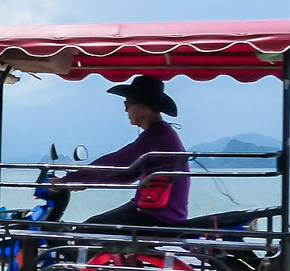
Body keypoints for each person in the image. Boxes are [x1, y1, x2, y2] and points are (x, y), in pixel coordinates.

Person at [55, 75, 189, 226]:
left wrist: (70, 179)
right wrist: (81, 180)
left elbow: (118, 161)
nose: (125, 109)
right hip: (159, 211)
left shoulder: (157, 136)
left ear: (143, 106)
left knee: (87, 230)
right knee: (92, 226)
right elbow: (127, 174)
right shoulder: (160, 133)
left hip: (157, 215)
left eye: (128, 103)